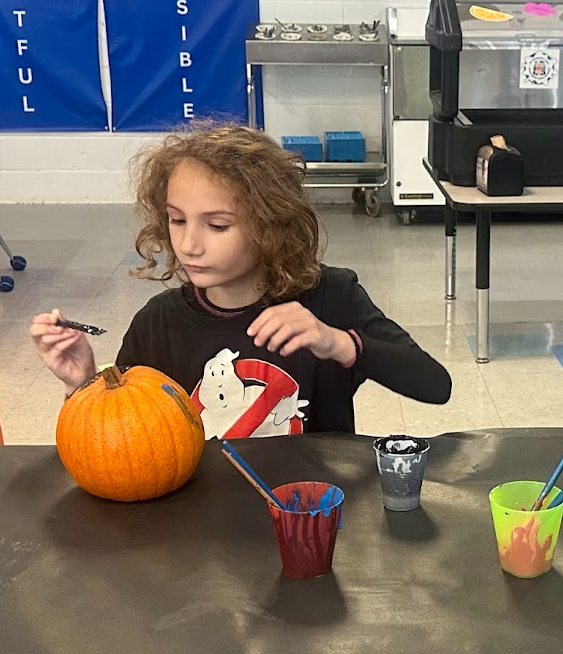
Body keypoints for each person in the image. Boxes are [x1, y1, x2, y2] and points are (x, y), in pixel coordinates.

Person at [31, 124, 451, 438]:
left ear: (271, 225)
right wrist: (82, 385)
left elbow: (435, 385)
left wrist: (338, 343)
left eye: (216, 226)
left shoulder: (331, 298)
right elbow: (121, 440)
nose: (189, 244)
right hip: (201, 524)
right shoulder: (160, 323)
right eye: (177, 220)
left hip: (309, 509)